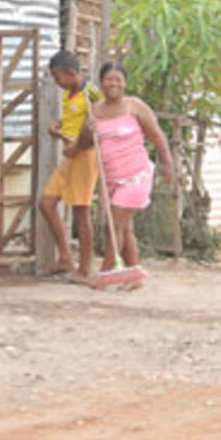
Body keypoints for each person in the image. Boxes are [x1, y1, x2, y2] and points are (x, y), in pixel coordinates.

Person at [81, 61, 174, 283]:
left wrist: (167, 163)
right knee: (125, 229)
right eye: (108, 79)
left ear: (125, 83)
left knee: (113, 225)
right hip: (113, 179)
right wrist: (88, 129)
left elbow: (156, 135)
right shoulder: (94, 112)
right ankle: (133, 276)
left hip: (136, 176)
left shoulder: (135, 107)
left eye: (118, 80)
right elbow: (85, 143)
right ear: (101, 83)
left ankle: (104, 274)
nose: (113, 84)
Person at [37, 51, 102, 280]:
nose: (56, 82)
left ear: (71, 73)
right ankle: (65, 258)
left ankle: (85, 269)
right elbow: (75, 120)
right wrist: (59, 128)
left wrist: (77, 145)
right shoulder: (68, 93)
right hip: (70, 155)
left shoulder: (91, 93)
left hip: (85, 155)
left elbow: (98, 122)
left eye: (57, 77)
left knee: (81, 212)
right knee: (46, 203)